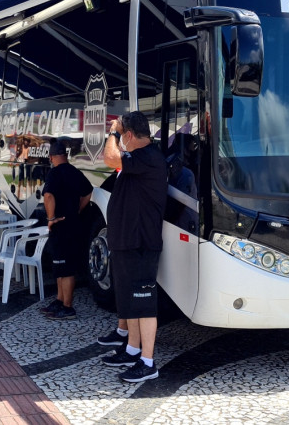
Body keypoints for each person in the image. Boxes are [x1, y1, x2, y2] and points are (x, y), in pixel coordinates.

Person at [99, 111, 167, 383]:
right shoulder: (138, 160)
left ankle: (148, 362)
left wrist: (112, 133)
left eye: (121, 134)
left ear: (128, 135)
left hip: (141, 243)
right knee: (131, 303)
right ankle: (132, 350)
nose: (119, 139)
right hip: (128, 242)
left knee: (144, 303)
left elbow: (109, 158)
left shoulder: (149, 158)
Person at [40, 141, 92, 320]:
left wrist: (51, 218)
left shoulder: (54, 173)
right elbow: (88, 192)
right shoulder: (75, 172)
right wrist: (78, 209)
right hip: (73, 223)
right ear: (66, 155)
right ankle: (60, 300)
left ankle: (68, 306)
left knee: (65, 267)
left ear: (51, 157)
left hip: (61, 225)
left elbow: (48, 196)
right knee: (60, 265)